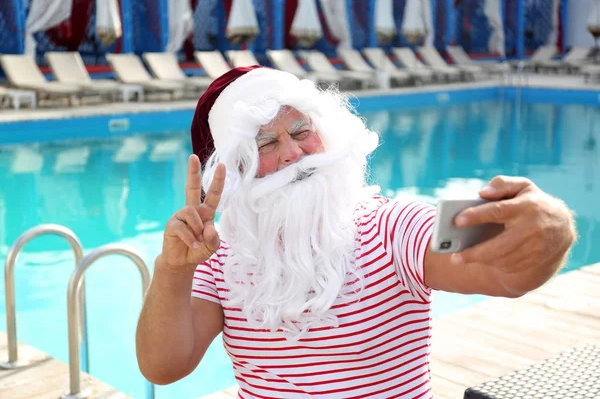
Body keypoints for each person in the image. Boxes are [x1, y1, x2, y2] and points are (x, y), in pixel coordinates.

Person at [135, 66, 576, 398]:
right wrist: (172, 269)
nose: (293, 154)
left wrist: (546, 230)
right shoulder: (219, 253)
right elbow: (163, 366)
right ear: (238, 168)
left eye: (301, 130)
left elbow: (501, 268)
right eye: (266, 144)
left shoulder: (391, 227)